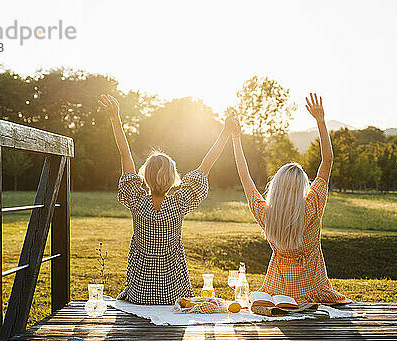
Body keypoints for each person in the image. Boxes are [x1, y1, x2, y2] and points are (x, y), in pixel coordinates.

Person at [98, 94, 231, 305]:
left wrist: (116, 119)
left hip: (140, 294)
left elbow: (125, 154)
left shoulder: (136, 202)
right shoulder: (179, 204)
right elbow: (207, 164)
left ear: (145, 177)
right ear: (172, 179)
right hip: (175, 295)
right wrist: (225, 132)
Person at [229, 93, 350, 305]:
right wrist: (320, 121)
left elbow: (243, 175)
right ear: (302, 187)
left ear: (275, 188)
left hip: (278, 298)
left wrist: (236, 138)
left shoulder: (266, 214)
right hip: (314, 295)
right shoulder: (312, 207)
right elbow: (327, 160)